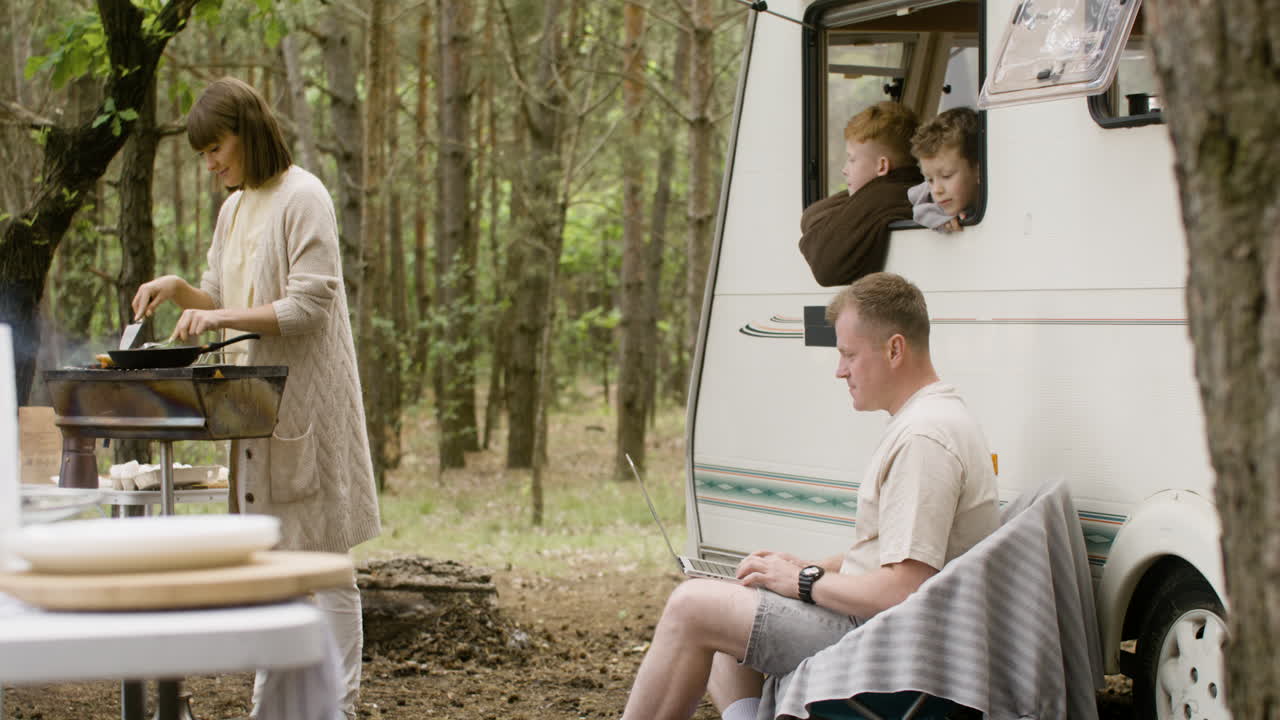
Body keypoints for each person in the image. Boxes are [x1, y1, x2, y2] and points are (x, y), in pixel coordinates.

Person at [619, 272, 1000, 720]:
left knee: (692, 607)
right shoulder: (927, 420)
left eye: (848, 355)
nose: (840, 370)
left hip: (888, 641)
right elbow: (889, 553)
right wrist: (806, 567)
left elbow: (904, 589)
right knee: (736, 589)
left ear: (895, 349)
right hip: (877, 622)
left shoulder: (925, 438)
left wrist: (804, 583)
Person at [131, 76, 381, 720]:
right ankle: (272, 709)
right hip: (251, 404)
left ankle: (339, 707)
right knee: (272, 565)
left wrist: (218, 322)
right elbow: (220, 291)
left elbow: (308, 306)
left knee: (324, 561)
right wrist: (183, 289)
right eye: (204, 153)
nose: (211, 163)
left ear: (248, 131)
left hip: (306, 406)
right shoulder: (235, 207)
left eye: (217, 148)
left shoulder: (305, 196)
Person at [799, 102, 923, 286]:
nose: (844, 169)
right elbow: (812, 215)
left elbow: (826, 268)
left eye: (852, 159)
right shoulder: (906, 188)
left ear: (882, 166)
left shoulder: (883, 197)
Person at [908, 107, 981, 233]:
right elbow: (920, 210)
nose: (936, 190)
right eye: (929, 180)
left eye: (947, 176)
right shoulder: (929, 193)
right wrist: (939, 219)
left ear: (978, 170)